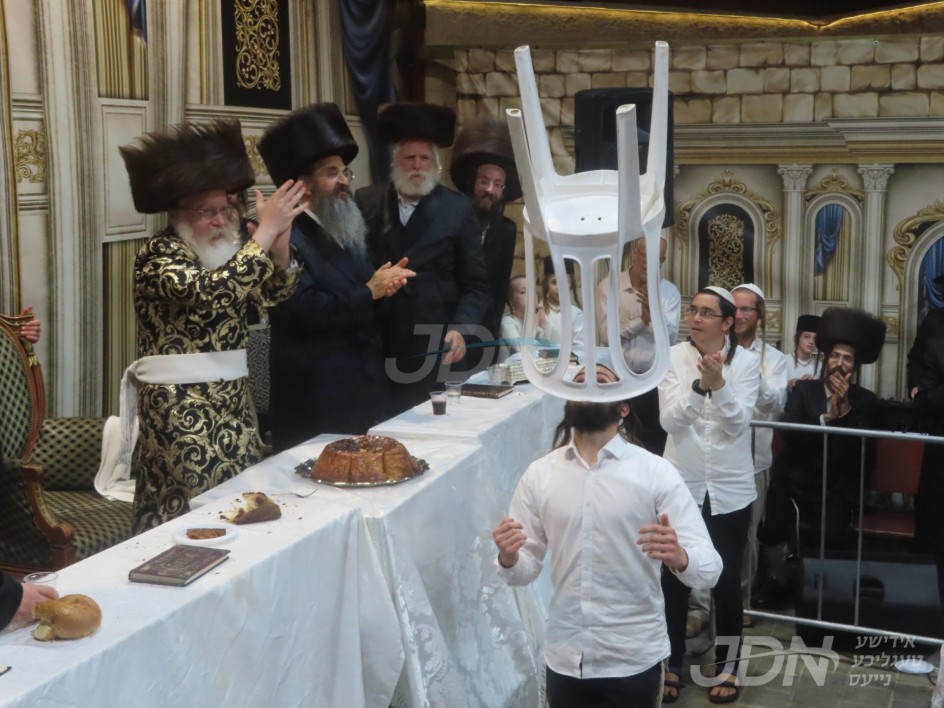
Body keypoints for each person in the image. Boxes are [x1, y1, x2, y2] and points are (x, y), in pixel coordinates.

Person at [492, 363, 722, 708]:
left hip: (633, 657)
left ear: (623, 407)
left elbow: (711, 567)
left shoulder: (654, 472)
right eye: (579, 381)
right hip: (566, 656)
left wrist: (681, 557)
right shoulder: (540, 474)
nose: (588, 387)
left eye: (600, 380)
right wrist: (508, 558)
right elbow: (524, 570)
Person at [119, 119, 307, 533]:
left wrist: (279, 247)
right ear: (176, 213)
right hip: (180, 409)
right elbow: (212, 293)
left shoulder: (224, 254)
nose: (221, 220)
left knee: (241, 508)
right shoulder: (158, 255)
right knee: (194, 515)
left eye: (227, 209)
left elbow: (272, 295)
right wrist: (265, 233)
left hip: (234, 404)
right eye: (208, 211)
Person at [258, 102, 415, 451]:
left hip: (364, 388)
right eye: (332, 173)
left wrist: (386, 287)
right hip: (315, 399)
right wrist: (370, 292)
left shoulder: (346, 229)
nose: (344, 181)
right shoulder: (285, 237)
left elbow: (365, 295)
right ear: (303, 186)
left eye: (345, 172)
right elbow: (303, 308)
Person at [658, 286, 760, 703]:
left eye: (706, 313)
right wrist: (702, 387)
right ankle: (671, 663)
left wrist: (721, 386)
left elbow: (738, 425)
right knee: (674, 577)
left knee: (726, 579)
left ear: (728, 322)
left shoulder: (747, 362)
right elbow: (668, 421)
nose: (695, 319)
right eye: (692, 311)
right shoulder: (673, 357)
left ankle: (729, 665)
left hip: (729, 487)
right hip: (680, 485)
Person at [356, 102, 489, 414]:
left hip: (435, 342)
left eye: (424, 158)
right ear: (395, 162)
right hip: (380, 339)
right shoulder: (367, 200)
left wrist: (461, 328)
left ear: (436, 165)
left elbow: (476, 285)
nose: (416, 165)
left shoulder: (458, 209)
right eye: (409, 158)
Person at [758, 308, 883, 591]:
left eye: (847, 358)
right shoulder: (805, 391)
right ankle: (776, 581)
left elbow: (863, 453)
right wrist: (826, 418)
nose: (839, 363)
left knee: (833, 531)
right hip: (795, 480)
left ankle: (825, 590)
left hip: (835, 486)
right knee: (773, 523)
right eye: (835, 356)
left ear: (855, 367)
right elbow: (790, 431)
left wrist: (845, 412)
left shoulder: (865, 401)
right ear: (826, 360)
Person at [730, 284, 787, 621]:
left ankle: (743, 601)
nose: (738, 315)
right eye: (734, 308)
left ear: (760, 315)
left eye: (746, 309)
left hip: (755, 459)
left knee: (747, 535)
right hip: (716, 458)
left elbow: (777, 405)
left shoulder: (775, 359)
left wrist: (750, 369)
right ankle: (703, 605)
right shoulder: (714, 348)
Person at [595, 236, 681, 455]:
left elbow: (671, 338)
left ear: (663, 261)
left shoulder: (669, 292)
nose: (649, 264)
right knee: (617, 441)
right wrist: (641, 321)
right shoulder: (609, 287)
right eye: (645, 256)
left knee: (654, 444)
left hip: (655, 381)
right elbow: (606, 335)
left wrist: (655, 316)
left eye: (656, 260)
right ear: (635, 253)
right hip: (618, 379)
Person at [449, 116, 520, 367]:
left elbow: (498, 292)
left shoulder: (507, 231)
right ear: (472, 184)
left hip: (483, 338)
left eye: (498, 184)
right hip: (448, 330)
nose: (490, 189)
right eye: (484, 181)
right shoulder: (449, 221)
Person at [906, 295, 944, 620]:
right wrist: (918, 390)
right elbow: (915, 363)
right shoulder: (935, 322)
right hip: (939, 442)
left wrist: (930, 395)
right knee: (934, 531)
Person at [499, 274, 549, 361]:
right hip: (512, 368)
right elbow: (521, 349)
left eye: (533, 291)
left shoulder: (535, 319)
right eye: (523, 292)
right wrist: (533, 327)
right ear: (511, 300)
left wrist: (544, 323)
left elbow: (555, 345)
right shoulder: (507, 322)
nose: (530, 295)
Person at [541, 256, 585, 351]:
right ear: (546, 284)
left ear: (571, 284)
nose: (559, 287)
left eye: (564, 282)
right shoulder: (538, 311)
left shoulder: (576, 314)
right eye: (554, 282)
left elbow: (580, 348)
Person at [785, 314, 820, 388]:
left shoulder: (820, 366)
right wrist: (789, 383)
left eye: (815, 338)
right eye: (806, 337)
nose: (811, 342)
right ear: (797, 338)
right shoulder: (784, 361)